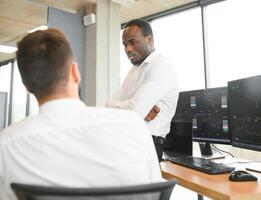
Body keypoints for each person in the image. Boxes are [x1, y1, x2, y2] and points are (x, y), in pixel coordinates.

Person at [0, 29, 161, 200]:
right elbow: (155, 194)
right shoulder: (133, 125)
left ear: (27, 86)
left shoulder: (7, 145)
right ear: (75, 72)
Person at [106, 19, 179, 162]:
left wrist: (134, 107)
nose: (128, 49)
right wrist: (135, 107)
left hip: (147, 145)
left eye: (132, 42)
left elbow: (134, 110)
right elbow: (108, 105)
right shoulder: (134, 71)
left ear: (149, 39)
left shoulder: (161, 66)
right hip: (127, 141)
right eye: (125, 44)